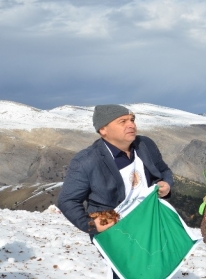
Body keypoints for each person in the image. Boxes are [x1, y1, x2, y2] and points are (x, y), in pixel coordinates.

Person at [57, 104, 174, 278]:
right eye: (123, 121)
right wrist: (90, 224)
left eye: (132, 120)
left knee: (156, 267)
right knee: (129, 272)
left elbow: (163, 170)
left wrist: (166, 185)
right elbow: (67, 200)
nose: (131, 125)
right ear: (103, 129)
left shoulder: (145, 145)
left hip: (148, 220)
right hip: (112, 224)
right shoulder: (86, 161)